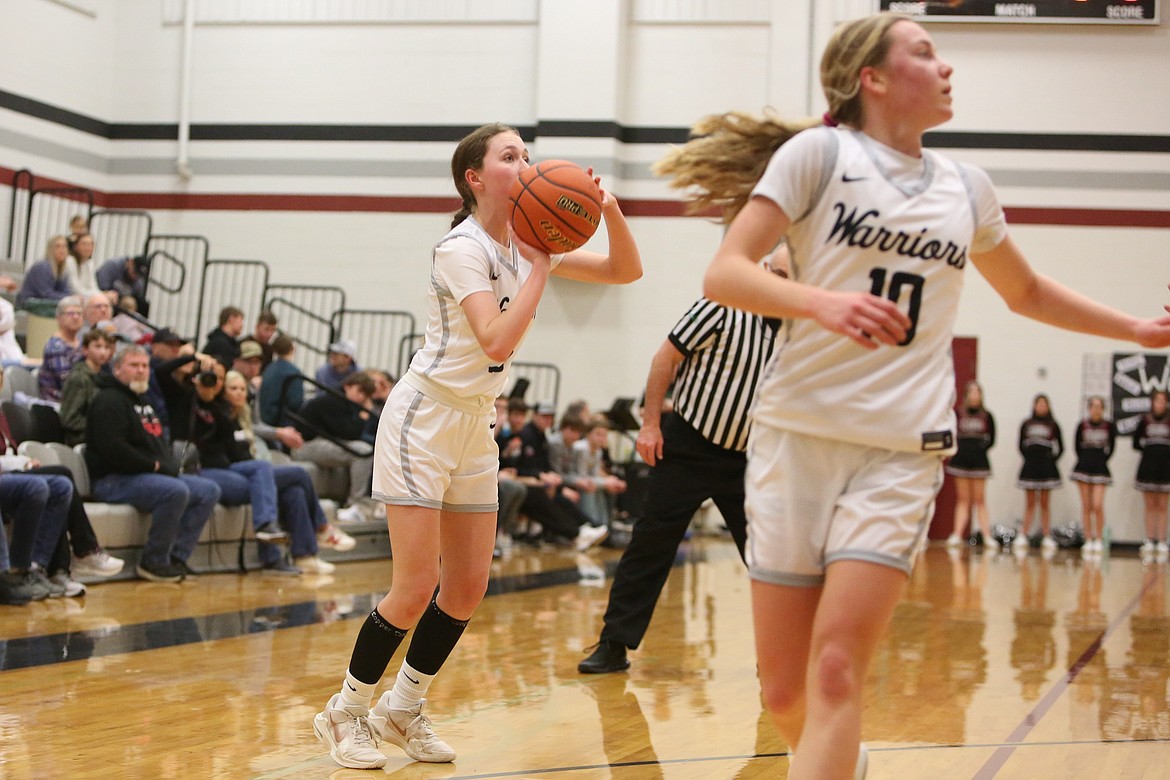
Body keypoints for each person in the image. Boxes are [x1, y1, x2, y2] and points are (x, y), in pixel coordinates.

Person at [678, 13, 1170, 779]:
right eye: (926, 52)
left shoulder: (966, 187)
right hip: (793, 443)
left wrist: (1135, 328)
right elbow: (727, 271)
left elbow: (1029, 291)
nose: (947, 68)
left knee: (837, 668)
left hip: (901, 452)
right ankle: (850, 762)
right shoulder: (819, 156)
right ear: (872, 78)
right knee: (784, 693)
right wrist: (818, 302)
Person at [312, 122, 641, 769]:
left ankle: (402, 709)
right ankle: (344, 712)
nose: (527, 162)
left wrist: (608, 209)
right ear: (475, 177)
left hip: (475, 424)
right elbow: (495, 339)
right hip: (423, 418)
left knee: (465, 587)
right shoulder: (460, 247)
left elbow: (627, 270)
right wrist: (545, 266)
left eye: (528, 153)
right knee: (415, 586)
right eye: (510, 154)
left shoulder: (527, 242)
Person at [578, 250, 783, 675]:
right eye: (779, 273)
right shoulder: (722, 305)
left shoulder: (801, 326)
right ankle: (613, 644)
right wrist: (650, 425)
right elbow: (664, 359)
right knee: (650, 545)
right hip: (689, 444)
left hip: (750, 455)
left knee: (772, 558)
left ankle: (780, 654)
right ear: (766, 272)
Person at [85, 345, 222, 582]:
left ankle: (176, 558)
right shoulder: (108, 400)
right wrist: (155, 466)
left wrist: (163, 465)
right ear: (117, 369)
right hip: (113, 479)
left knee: (208, 490)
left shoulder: (143, 400)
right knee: (175, 490)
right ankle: (153, 562)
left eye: (145, 366)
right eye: (134, 365)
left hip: (146, 475)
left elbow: (157, 442)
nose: (141, 371)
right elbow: (113, 450)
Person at [292, 371, 377, 522]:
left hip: (321, 442)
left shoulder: (345, 401)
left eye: (366, 395)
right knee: (362, 451)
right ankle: (355, 502)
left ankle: (357, 501)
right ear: (347, 386)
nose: (362, 398)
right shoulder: (332, 400)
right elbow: (349, 433)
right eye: (360, 391)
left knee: (365, 449)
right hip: (305, 445)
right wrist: (363, 418)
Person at [944, 381, 996, 550]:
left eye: (977, 392)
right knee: (963, 499)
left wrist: (980, 449)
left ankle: (987, 536)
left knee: (980, 500)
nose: (974, 395)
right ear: (966, 395)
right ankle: (957, 534)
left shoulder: (987, 416)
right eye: (971, 392)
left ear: (981, 395)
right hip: (961, 459)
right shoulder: (958, 414)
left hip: (979, 460)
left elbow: (992, 439)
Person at [1015, 393, 1063, 553]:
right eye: (1038, 404)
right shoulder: (1026, 424)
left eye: (1044, 404)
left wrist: (1051, 460)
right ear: (1034, 406)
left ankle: (1047, 536)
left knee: (1044, 503)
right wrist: (1030, 457)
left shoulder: (1053, 425)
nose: (1041, 407)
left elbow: (1061, 447)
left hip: (1046, 467)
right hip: (1030, 466)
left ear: (1048, 407)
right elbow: (1020, 446)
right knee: (1029, 503)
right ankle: (1024, 534)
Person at [1071, 396, 1116, 557]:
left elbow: (1111, 448)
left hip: (1100, 467)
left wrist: (1101, 460)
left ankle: (1099, 539)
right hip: (1083, 467)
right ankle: (1088, 539)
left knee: (1097, 505)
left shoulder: (1109, 426)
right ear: (1089, 408)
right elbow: (1076, 447)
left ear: (1103, 409)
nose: (1096, 409)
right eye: (1093, 406)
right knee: (1086, 505)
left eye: (1099, 406)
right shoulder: (1082, 425)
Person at [59, 329, 117, 446]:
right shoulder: (79, 378)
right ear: (85, 350)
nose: (103, 352)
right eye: (97, 346)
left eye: (107, 347)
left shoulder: (105, 378)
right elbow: (69, 419)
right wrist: (102, 425)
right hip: (81, 439)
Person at [1134, 390, 1170, 558]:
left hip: (1166, 466)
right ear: (1152, 402)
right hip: (1148, 465)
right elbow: (1136, 443)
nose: (1160, 404)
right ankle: (1149, 539)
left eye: (1163, 401)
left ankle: (1162, 540)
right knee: (1149, 505)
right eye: (1157, 400)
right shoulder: (1144, 420)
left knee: (1163, 505)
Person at [38, 295, 86, 402]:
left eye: (79, 313)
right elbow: (67, 383)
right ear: (59, 318)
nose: (75, 317)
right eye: (70, 313)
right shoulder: (55, 347)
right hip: (58, 402)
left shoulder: (82, 343)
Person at [259, 334, 303, 426]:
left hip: (264, 416)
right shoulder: (293, 373)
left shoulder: (269, 368)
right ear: (292, 349)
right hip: (282, 421)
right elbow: (295, 402)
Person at [16, 235, 72, 306]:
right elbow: (45, 294)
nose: (62, 250)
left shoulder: (63, 269)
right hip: (30, 303)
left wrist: (70, 297)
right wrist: (68, 298)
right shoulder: (43, 266)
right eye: (58, 246)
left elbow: (66, 290)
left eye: (65, 246)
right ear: (50, 250)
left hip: (46, 303)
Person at [64, 232, 115, 303]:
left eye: (90, 244)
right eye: (84, 244)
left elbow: (93, 286)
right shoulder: (70, 261)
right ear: (75, 246)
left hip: (87, 297)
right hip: (72, 297)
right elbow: (74, 289)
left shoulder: (89, 263)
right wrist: (101, 295)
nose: (88, 248)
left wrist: (102, 295)